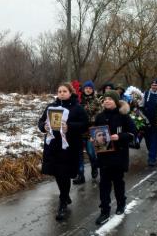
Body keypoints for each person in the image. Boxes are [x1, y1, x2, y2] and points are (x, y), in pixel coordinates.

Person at [38, 83, 88, 221]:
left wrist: (69, 127)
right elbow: (41, 121)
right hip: (53, 145)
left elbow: (85, 124)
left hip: (69, 146)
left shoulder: (77, 108)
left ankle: (63, 202)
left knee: (64, 173)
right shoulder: (51, 107)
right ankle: (65, 196)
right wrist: (45, 126)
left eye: (64, 91)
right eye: (59, 91)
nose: (61, 93)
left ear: (70, 92)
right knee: (57, 173)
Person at [93, 90, 137, 225]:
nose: (107, 101)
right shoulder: (99, 116)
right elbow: (96, 132)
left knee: (118, 182)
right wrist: (93, 138)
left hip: (119, 155)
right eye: (105, 99)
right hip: (104, 155)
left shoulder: (124, 116)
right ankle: (104, 211)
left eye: (110, 99)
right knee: (104, 184)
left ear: (116, 101)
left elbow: (133, 133)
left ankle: (121, 204)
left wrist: (120, 137)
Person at [78, 80, 102, 182]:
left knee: (91, 152)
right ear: (83, 89)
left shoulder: (96, 101)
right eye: (86, 88)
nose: (88, 90)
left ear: (92, 90)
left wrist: (90, 120)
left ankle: (94, 166)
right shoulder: (79, 100)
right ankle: (80, 175)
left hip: (91, 130)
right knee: (79, 154)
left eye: (90, 88)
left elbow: (99, 114)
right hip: (79, 130)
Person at [142, 79, 157, 166]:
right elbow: (141, 105)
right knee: (148, 139)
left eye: (156, 85)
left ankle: (152, 158)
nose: (154, 87)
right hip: (147, 120)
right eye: (152, 85)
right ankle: (152, 153)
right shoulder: (146, 93)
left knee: (154, 139)